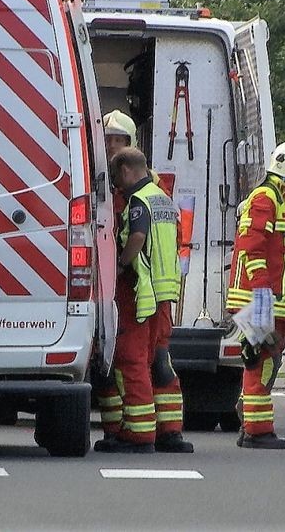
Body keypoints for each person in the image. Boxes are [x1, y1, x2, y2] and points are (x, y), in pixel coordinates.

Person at [94, 146, 192, 454]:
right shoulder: (163, 198)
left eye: (115, 178)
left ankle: (139, 434)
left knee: (130, 361)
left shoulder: (137, 201)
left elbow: (136, 237)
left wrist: (120, 264)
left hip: (140, 293)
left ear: (125, 171)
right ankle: (169, 431)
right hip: (163, 295)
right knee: (159, 362)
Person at [227, 140, 285, 449]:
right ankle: (258, 430)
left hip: (272, 302)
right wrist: (261, 298)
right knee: (261, 361)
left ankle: (251, 426)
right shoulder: (266, 198)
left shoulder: (284, 202)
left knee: (264, 360)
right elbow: (251, 248)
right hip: (261, 300)